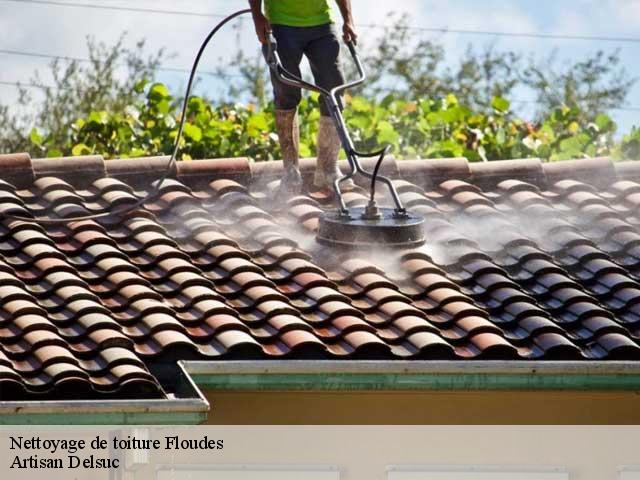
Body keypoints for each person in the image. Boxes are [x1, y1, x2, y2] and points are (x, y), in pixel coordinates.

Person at [248, 0, 357, 196]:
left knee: (334, 90)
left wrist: (348, 20)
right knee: (286, 91)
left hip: (322, 24)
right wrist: (257, 16)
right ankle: (291, 172)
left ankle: (328, 170)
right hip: (280, 25)